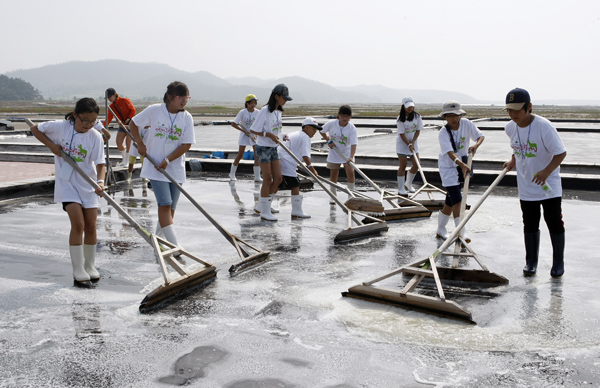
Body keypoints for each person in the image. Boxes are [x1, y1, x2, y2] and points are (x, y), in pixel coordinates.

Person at [30, 98, 106, 288]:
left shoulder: (95, 136)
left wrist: (100, 181)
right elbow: (35, 129)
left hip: (88, 184)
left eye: (93, 121)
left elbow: (100, 164)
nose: (89, 125)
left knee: (91, 226)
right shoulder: (61, 127)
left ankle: (89, 265)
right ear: (75, 115)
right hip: (67, 184)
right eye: (84, 121)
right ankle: (78, 268)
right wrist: (51, 146)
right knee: (78, 224)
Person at [502, 88, 567, 278]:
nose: (513, 114)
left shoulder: (544, 127)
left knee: (554, 222)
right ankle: (531, 262)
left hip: (548, 187)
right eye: (509, 110)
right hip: (526, 186)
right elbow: (518, 146)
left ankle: (558, 262)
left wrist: (546, 172)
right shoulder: (510, 127)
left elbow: (560, 152)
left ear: (529, 107)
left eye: (517, 110)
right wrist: (513, 160)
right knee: (529, 223)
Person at [129, 81, 195, 250]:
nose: (184, 101)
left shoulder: (186, 117)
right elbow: (133, 124)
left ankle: (158, 240)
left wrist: (168, 160)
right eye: (181, 97)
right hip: (156, 166)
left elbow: (186, 144)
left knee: (171, 208)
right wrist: (140, 144)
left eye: (186, 97)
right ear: (171, 97)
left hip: (175, 167)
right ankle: (174, 245)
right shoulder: (154, 110)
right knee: (164, 204)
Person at [436, 100, 484, 242]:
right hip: (448, 166)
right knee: (457, 198)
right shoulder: (443, 133)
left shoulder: (467, 124)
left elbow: (480, 136)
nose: (454, 119)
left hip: (463, 163)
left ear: (461, 115)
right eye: (450, 116)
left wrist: (475, 145)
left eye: (456, 115)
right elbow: (450, 153)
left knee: (451, 198)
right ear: (445, 117)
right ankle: (461, 231)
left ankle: (440, 228)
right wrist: (461, 164)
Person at [250, 84, 291, 222]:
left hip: (274, 147)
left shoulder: (278, 111)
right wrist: (268, 135)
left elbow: (276, 129)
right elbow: (254, 130)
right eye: (283, 98)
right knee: (267, 179)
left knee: (278, 179)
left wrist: (282, 135)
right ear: (276, 97)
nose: (285, 101)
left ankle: (263, 206)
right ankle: (265, 212)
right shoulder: (264, 111)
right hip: (263, 148)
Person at [277, 117, 321, 219]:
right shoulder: (305, 137)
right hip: (286, 160)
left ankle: (264, 206)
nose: (315, 132)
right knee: (295, 184)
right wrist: (312, 170)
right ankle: (296, 211)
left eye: (316, 130)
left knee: (278, 182)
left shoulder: (297, 133)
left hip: (280, 158)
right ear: (306, 127)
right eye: (313, 129)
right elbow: (305, 156)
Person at [320, 105, 358, 204]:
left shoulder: (352, 128)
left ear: (350, 117)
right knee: (334, 174)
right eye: (342, 116)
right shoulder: (332, 124)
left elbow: (354, 144)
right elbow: (321, 130)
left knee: (350, 172)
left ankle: (351, 195)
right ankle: (333, 196)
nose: (345, 118)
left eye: (347, 116)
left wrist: (351, 157)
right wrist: (328, 141)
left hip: (347, 153)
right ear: (338, 115)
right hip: (334, 152)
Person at [230, 94, 262, 182]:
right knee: (240, 154)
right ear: (247, 103)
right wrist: (244, 131)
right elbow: (234, 124)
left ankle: (257, 177)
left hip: (254, 135)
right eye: (251, 103)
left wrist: (255, 134)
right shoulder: (242, 112)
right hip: (244, 135)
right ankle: (232, 174)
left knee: (257, 155)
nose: (253, 105)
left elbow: (260, 124)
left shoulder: (258, 112)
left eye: (255, 103)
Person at [396, 96, 423, 195]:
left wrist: (413, 143)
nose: (410, 108)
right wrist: (408, 144)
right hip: (402, 144)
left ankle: (408, 183)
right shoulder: (400, 119)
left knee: (417, 164)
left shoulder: (417, 117)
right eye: (408, 107)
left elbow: (418, 130)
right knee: (403, 165)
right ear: (403, 107)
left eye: (411, 106)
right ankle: (400, 188)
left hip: (413, 143)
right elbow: (402, 134)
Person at [103, 88, 136, 167]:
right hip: (122, 125)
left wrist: (128, 119)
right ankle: (124, 159)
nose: (109, 99)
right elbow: (108, 119)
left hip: (130, 124)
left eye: (110, 97)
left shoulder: (125, 100)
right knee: (118, 142)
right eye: (108, 98)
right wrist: (102, 127)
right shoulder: (111, 107)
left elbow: (133, 110)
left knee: (128, 142)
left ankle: (127, 161)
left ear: (115, 95)